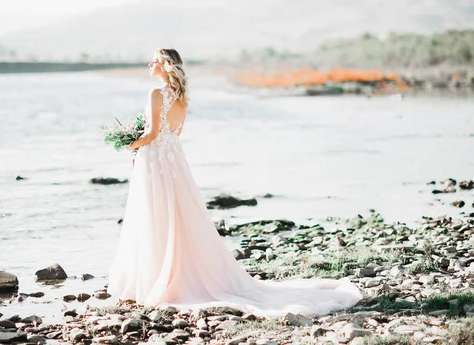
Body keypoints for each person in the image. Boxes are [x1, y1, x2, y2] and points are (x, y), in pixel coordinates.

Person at [107, 48, 362, 317]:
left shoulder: (156, 94)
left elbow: (152, 133)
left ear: (165, 65)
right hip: (174, 163)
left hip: (156, 161)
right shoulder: (181, 97)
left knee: (155, 216)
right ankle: (176, 273)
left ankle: (155, 278)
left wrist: (129, 144)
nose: (150, 63)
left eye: (154, 60)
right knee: (178, 217)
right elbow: (176, 131)